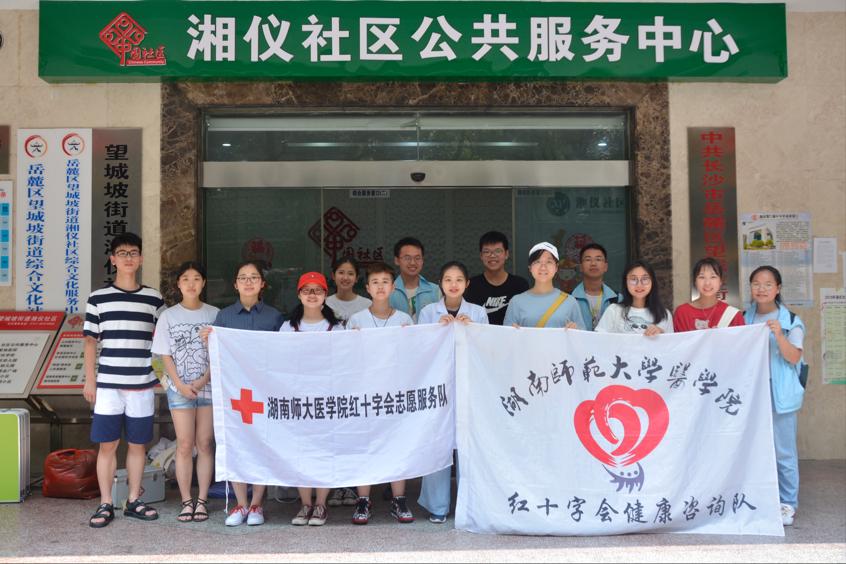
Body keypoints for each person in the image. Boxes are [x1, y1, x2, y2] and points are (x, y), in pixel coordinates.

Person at [83, 232, 165, 528]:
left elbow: (162, 342)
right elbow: (90, 341)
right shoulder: (98, 298)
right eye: (122, 253)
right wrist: (89, 380)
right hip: (107, 385)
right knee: (107, 445)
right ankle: (105, 503)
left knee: (138, 444)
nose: (128, 258)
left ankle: (133, 500)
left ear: (141, 259)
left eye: (133, 253)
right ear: (113, 259)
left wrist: (162, 377)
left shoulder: (154, 298)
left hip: (142, 384)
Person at [203, 260, 283, 527]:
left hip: (264, 392)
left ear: (263, 283)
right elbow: (217, 354)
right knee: (236, 442)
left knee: (262, 444)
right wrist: (210, 338)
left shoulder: (274, 317)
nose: (248, 282)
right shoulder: (224, 317)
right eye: (243, 277)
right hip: (235, 393)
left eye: (254, 277)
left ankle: (257, 503)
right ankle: (240, 503)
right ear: (235, 284)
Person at [417, 261, 488, 524]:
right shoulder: (428, 312)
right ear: (440, 284)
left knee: (469, 445)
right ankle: (438, 506)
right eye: (448, 279)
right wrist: (437, 330)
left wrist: (473, 331)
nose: (453, 284)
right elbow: (419, 348)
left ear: (467, 284)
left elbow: (487, 349)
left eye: (459, 279)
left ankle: (472, 503)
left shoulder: (478, 312)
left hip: (469, 385)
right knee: (439, 443)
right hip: (438, 386)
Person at [347, 262, 415, 525]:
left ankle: (399, 499)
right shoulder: (356, 320)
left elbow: (413, 355)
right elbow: (347, 358)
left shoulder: (404, 320)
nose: (380, 287)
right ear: (367, 287)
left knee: (397, 444)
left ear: (393, 287)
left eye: (385, 282)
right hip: (365, 394)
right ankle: (363, 499)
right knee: (364, 445)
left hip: (395, 393)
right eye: (375, 282)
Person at [152, 261, 219, 523]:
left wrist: (203, 380)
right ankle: (186, 501)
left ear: (204, 283)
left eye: (197, 278)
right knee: (184, 444)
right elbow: (163, 355)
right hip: (179, 389)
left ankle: (201, 500)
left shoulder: (215, 314)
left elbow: (220, 353)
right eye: (186, 279)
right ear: (178, 284)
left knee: (205, 443)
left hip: (209, 387)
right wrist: (179, 384)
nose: (191, 284)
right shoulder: (168, 316)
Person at [280, 271, 344, 527]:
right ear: (299, 295)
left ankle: (321, 504)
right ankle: (305, 504)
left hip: (326, 400)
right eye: (307, 290)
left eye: (318, 290)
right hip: (297, 400)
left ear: (326, 295)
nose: (312, 295)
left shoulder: (337, 327)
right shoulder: (288, 327)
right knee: (300, 453)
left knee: (324, 452)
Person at [743, 266, 806, 526]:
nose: (761, 289)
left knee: (783, 453)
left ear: (778, 288)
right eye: (756, 283)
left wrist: (779, 334)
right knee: (751, 449)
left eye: (768, 284)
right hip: (750, 395)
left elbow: (794, 357)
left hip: (779, 394)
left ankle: (787, 503)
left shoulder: (790, 320)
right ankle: (758, 499)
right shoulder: (743, 318)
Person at [503, 242, 586, 329]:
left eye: (549, 262)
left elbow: (582, 335)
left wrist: (576, 329)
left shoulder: (569, 301)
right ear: (530, 268)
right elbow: (506, 336)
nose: (543, 267)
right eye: (537, 262)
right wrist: (512, 332)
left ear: (556, 267)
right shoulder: (516, 302)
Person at [464, 231, 530, 326]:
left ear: (506, 254)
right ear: (481, 255)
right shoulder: (471, 286)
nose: (492, 255)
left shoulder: (520, 285)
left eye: (498, 251)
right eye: (487, 252)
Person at [595, 260, 673, 335]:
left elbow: (671, 343)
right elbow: (599, 340)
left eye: (645, 279)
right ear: (626, 282)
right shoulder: (613, 311)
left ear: (652, 282)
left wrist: (662, 335)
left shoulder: (664, 314)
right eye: (633, 279)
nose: (639, 285)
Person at [673, 257, 744, 331]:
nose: (707, 283)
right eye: (702, 277)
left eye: (713, 277)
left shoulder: (734, 315)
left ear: (720, 281)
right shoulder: (682, 313)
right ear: (695, 282)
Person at [389, 237, 440, 322]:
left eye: (417, 258)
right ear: (397, 260)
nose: (413, 262)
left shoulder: (435, 291)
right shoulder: (387, 292)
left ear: (422, 260)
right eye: (407, 258)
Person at [571, 243, 620, 330]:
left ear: (605, 266)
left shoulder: (618, 299)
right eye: (588, 259)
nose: (593, 263)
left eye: (598, 259)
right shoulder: (568, 299)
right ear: (581, 267)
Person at [325, 256, 371, 325]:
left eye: (350, 274)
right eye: (341, 272)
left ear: (357, 278)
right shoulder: (325, 304)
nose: (345, 278)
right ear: (333, 276)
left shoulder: (367, 305)